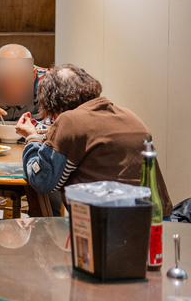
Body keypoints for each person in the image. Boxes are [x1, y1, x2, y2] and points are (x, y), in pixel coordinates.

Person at [18, 64, 173, 214]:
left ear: (53, 104)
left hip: (111, 225)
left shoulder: (70, 120)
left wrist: (32, 138)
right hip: (158, 218)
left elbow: (42, 180)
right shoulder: (130, 116)